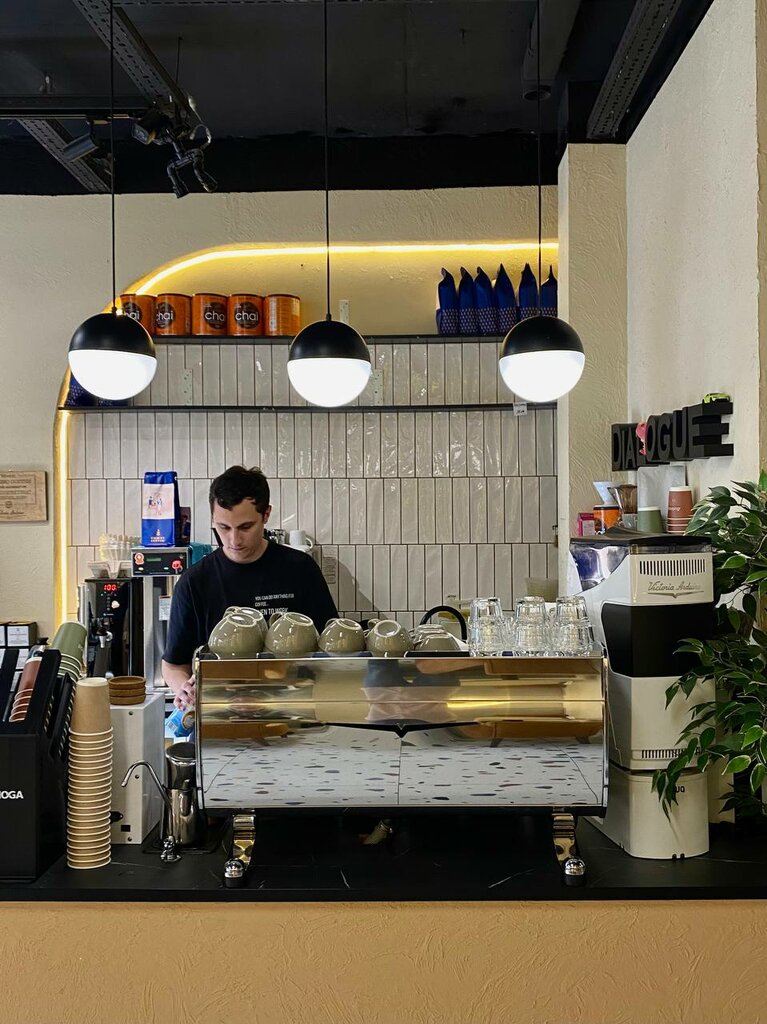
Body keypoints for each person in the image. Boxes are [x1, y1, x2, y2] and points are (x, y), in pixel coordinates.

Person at [162, 465, 338, 709]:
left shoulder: (300, 569)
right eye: (223, 527)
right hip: (221, 718)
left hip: (294, 714)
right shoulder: (194, 582)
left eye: (245, 527)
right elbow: (173, 664)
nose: (234, 540)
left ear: (266, 514)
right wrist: (182, 688)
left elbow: (331, 651)